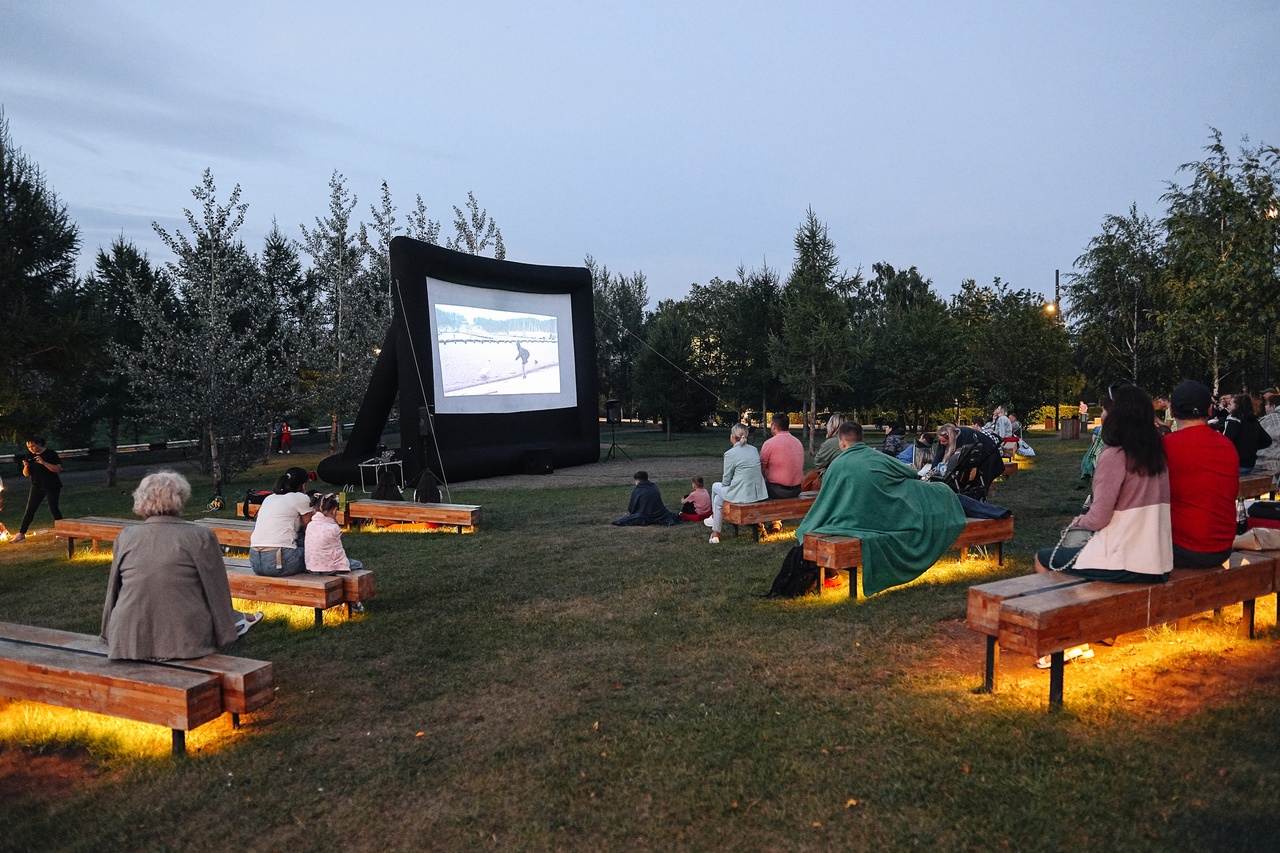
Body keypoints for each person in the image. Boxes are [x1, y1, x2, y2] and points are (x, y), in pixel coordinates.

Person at [101, 471, 261, 660]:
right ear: (180, 498)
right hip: (183, 639)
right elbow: (216, 591)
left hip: (128, 639)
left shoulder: (126, 536)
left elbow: (113, 590)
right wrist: (228, 629)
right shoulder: (200, 536)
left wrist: (108, 633)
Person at [796, 422, 967, 596]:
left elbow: (826, 499)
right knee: (949, 496)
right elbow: (911, 473)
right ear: (861, 439)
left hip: (882, 513)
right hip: (907, 506)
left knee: (948, 498)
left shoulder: (837, 465)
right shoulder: (877, 456)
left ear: (842, 443)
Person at [1035, 382, 1172, 583]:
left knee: (1044, 558)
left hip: (1124, 561)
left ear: (1115, 416)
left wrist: (1077, 521)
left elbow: (1098, 518)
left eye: (1105, 410)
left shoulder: (1114, 455)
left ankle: (1067, 612)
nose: (1103, 415)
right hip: (1159, 561)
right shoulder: (1156, 454)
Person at [1162, 380, 1239, 568]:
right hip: (1222, 547)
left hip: (1181, 548)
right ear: (1210, 410)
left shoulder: (1165, 446)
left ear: (1171, 411)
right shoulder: (1227, 445)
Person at [706, 423, 768, 544]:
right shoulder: (754, 450)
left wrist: (727, 488)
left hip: (742, 494)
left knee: (715, 487)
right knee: (718, 500)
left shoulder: (730, 454)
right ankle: (715, 533)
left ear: (733, 436)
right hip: (757, 494)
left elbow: (726, 479)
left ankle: (714, 522)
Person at [249, 467, 314, 577]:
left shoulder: (269, 498)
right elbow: (312, 528)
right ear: (303, 485)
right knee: (321, 555)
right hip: (279, 562)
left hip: (255, 561)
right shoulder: (301, 498)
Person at [14, 437, 63, 543]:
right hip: (37, 485)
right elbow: (26, 474)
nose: (31, 449)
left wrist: (43, 462)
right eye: (29, 447)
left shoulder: (50, 453)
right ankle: (21, 533)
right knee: (30, 509)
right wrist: (26, 466)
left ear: (39, 443)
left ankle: (61, 531)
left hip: (51, 485)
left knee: (54, 507)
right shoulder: (30, 455)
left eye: (33, 446)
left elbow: (58, 469)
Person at [305, 493, 364, 574]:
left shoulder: (310, 525)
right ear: (334, 510)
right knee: (358, 564)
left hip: (311, 568)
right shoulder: (333, 528)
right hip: (330, 568)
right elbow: (339, 551)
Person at [1219, 393, 1271, 473]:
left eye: (1230, 404)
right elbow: (1267, 441)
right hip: (1250, 464)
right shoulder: (1254, 421)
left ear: (1236, 407)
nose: (1228, 406)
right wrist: (1252, 446)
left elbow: (1226, 441)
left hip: (1236, 464)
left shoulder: (1233, 419)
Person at [759, 413, 804, 500]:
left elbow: (761, 471)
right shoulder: (798, 442)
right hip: (797, 489)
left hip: (777, 490)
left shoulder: (769, 444)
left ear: (773, 426)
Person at [612, 471, 680, 526]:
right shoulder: (654, 486)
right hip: (660, 513)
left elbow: (632, 507)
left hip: (646, 514)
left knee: (634, 517)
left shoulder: (637, 490)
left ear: (637, 480)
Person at [802, 413, 846, 491]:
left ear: (832, 426)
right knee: (811, 475)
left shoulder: (831, 442)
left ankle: (801, 499)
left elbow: (818, 462)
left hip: (833, 479)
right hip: (844, 477)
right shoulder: (851, 441)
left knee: (812, 483)